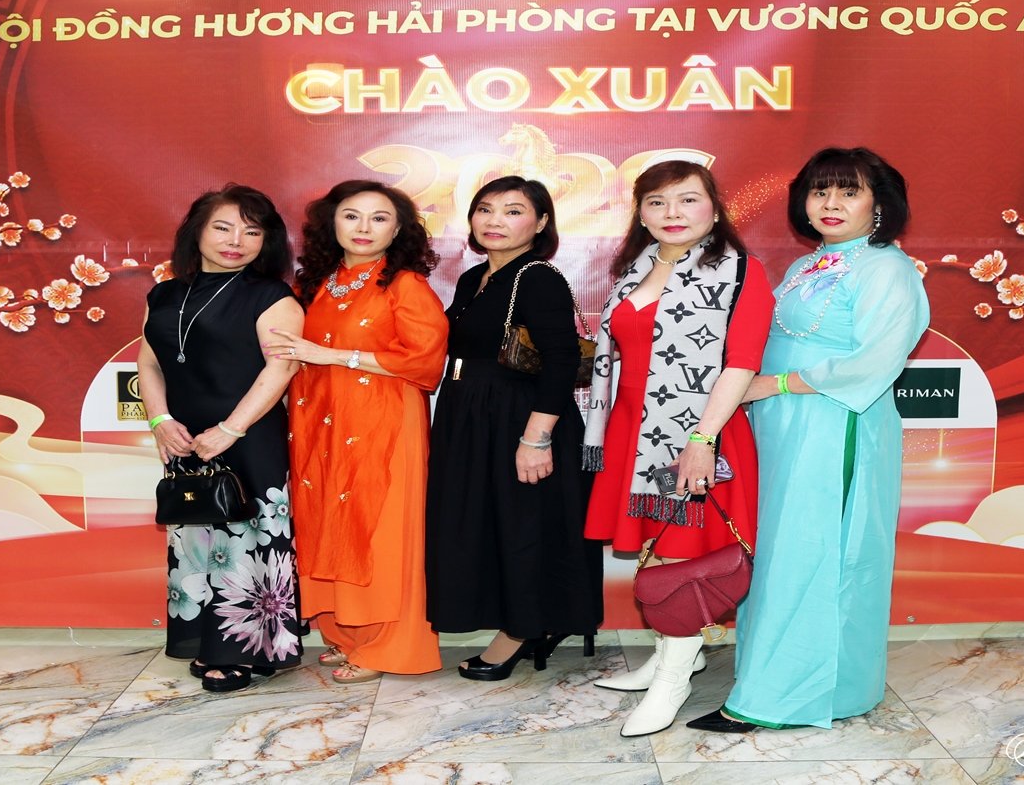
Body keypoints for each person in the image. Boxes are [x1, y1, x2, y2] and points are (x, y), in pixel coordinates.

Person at [688, 146, 930, 733]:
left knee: (816, 551)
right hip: (782, 426)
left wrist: (775, 384)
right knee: (781, 550)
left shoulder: (887, 268)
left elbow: (874, 361)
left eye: (849, 191)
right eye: (820, 191)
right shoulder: (811, 263)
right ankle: (780, 679)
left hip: (834, 423)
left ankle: (786, 698)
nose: (830, 203)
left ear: (879, 203)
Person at [583, 160, 774, 737]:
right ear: (641, 214)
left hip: (698, 436)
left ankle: (673, 680)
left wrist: (700, 441)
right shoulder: (635, 269)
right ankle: (674, 656)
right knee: (656, 544)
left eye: (687, 199)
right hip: (633, 433)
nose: (672, 213)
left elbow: (741, 363)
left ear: (714, 210)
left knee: (680, 552)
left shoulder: (740, 271)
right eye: (657, 201)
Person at [263, 180, 448, 684]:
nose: (364, 228)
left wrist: (332, 355)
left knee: (380, 529)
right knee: (327, 522)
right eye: (352, 215)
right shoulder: (316, 284)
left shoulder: (404, 285)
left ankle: (391, 646)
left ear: (398, 230)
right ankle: (348, 634)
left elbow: (424, 361)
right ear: (332, 223)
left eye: (379, 218)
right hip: (318, 420)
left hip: (385, 421)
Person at [424, 175, 602, 681]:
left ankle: (523, 629)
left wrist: (536, 438)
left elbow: (561, 360)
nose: (495, 220)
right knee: (490, 525)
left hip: (520, 417)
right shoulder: (474, 278)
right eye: (485, 209)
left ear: (541, 223)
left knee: (524, 525)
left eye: (513, 210)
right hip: (471, 417)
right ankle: (524, 619)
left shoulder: (538, 276)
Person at [137, 183, 306, 693]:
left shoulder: (272, 296)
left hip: (248, 436)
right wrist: (159, 421)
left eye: (251, 232)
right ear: (196, 232)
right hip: (185, 438)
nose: (236, 241)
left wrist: (231, 429)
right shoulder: (164, 293)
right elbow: (149, 362)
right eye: (223, 227)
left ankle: (245, 651)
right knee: (195, 538)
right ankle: (210, 641)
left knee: (249, 539)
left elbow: (282, 367)